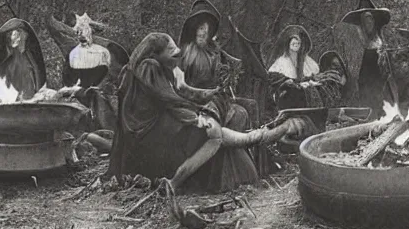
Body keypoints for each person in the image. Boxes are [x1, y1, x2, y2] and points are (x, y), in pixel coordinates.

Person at [107, 33, 302, 193]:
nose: (176, 53)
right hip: (150, 134)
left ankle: (260, 135)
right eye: (170, 50)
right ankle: (175, 181)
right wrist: (196, 117)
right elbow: (169, 100)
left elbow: (180, 91)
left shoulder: (144, 67)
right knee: (214, 135)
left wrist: (210, 94)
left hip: (152, 128)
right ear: (155, 53)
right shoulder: (149, 67)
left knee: (217, 126)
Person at [177, 0, 251, 130]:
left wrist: (228, 77)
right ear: (194, 29)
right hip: (195, 100)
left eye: (206, 29)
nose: (203, 33)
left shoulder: (215, 52)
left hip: (218, 96)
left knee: (249, 108)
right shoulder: (185, 53)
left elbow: (224, 76)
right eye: (200, 28)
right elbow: (180, 85)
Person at [336, 0, 397, 116]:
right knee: (366, 107)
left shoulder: (380, 39)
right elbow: (352, 66)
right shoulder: (355, 39)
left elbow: (388, 66)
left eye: (370, 19)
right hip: (362, 82)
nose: (368, 22)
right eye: (365, 19)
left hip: (379, 83)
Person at [0, 18, 47, 101]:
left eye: (17, 34)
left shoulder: (30, 59)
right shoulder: (7, 62)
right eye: (11, 35)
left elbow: (38, 82)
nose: (13, 37)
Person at [266, 25, 321, 112]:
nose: (296, 46)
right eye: (293, 44)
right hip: (287, 91)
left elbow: (311, 74)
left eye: (298, 44)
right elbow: (275, 78)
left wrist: (308, 82)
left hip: (303, 87)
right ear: (288, 45)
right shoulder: (282, 61)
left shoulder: (305, 59)